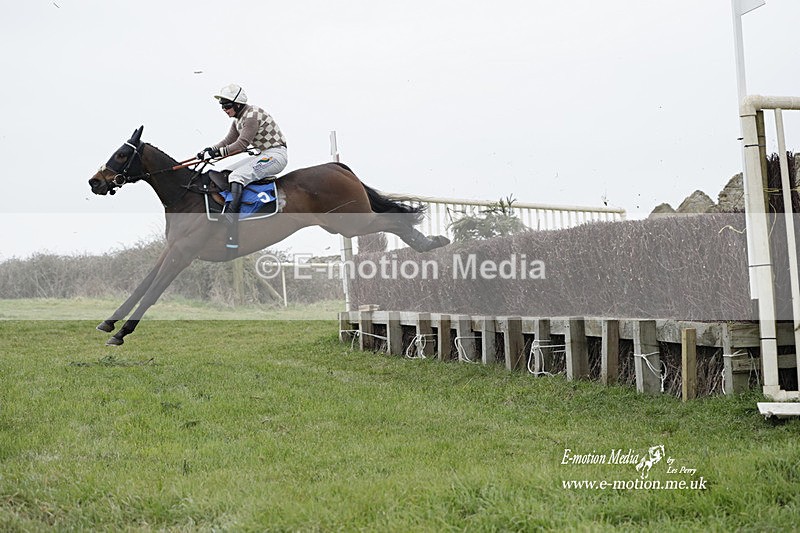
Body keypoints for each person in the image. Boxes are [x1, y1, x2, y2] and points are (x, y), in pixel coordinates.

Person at [197, 83, 288, 253]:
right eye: (222, 106)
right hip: (263, 154)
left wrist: (218, 153)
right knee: (226, 174)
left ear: (238, 104)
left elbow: (241, 144)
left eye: (227, 105)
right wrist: (209, 150)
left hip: (276, 155)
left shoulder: (251, 116)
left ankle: (232, 218)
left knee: (236, 177)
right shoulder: (238, 119)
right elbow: (228, 141)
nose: (224, 109)